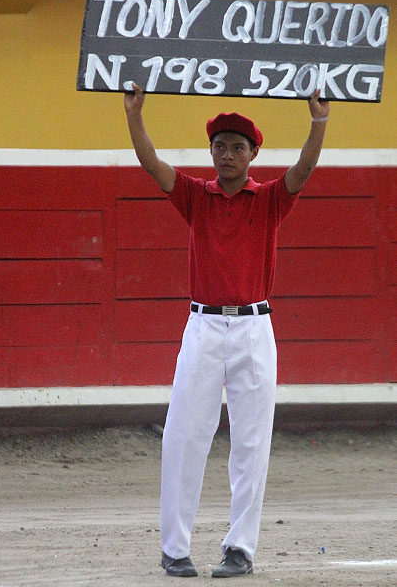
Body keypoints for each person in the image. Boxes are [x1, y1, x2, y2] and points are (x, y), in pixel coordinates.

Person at [123, 83, 329, 578]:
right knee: (182, 436)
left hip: (255, 328)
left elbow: (303, 169)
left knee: (252, 442)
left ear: (253, 154)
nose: (228, 154)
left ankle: (240, 548)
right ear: (211, 152)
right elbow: (151, 164)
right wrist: (134, 115)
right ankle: (175, 548)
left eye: (238, 147)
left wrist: (319, 122)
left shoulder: (270, 199)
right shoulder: (196, 196)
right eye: (220, 146)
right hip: (204, 325)